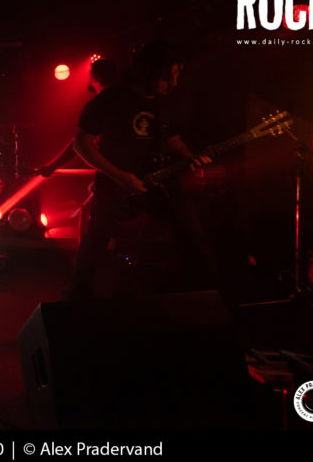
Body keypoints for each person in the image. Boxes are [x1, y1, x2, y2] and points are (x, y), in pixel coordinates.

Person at [67, 41, 220, 302]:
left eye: (175, 77)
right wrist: (119, 176)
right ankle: (76, 302)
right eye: (167, 78)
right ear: (148, 73)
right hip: (117, 186)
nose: (173, 84)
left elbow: (171, 139)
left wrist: (189, 156)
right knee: (96, 241)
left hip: (159, 182)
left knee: (193, 236)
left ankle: (207, 298)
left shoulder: (165, 103)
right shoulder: (110, 100)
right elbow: (81, 144)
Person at [36, 59, 119, 237]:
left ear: (95, 77)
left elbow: (79, 144)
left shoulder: (100, 104)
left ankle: (88, 254)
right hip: (129, 176)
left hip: (114, 180)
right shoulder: (128, 101)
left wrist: (51, 167)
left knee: (92, 224)